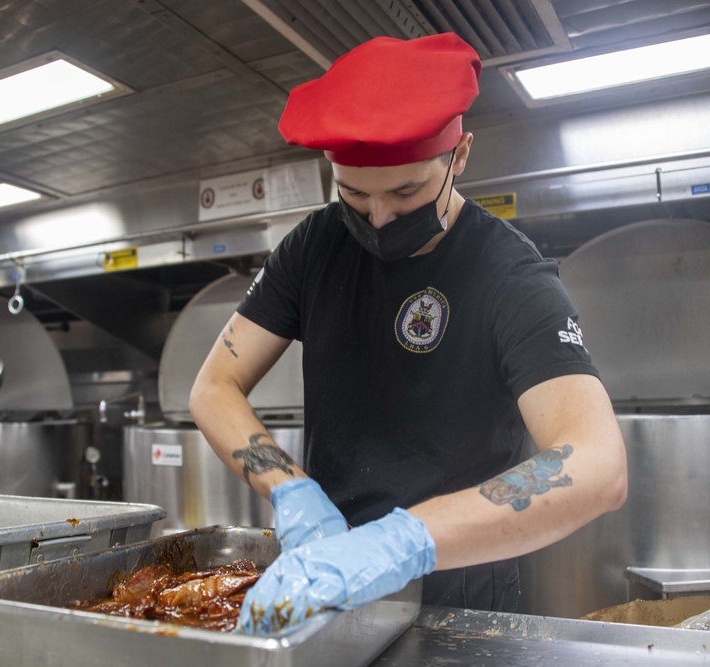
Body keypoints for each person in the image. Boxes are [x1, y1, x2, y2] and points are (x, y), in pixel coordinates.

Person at [190, 32, 628, 635]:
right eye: (353, 194)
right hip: (332, 580)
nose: (377, 220)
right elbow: (214, 385)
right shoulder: (313, 248)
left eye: (405, 192)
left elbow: (599, 463)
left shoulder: (509, 275)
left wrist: (402, 542)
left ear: (461, 155)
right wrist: (293, 494)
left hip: (463, 598)